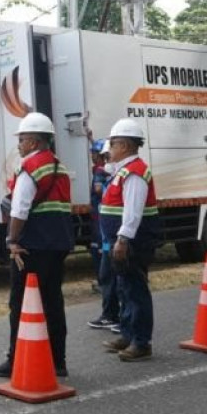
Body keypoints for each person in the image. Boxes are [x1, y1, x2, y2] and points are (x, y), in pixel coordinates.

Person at [0, 112, 74, 379]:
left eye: (22, 140)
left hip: (32, 246)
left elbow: (20, 209)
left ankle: (16, 359)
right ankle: (58, 361)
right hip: (58, 243)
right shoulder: (58, 166)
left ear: (34, 142)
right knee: (53, 302)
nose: (19, 145)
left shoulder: (30, 167)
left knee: (21, 303)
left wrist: (11, 240)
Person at [100, 118, 160, 362]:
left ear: (124, 146)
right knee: (124, 288)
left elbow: (133, 212)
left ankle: (141, 342)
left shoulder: (135, 173)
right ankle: (128, 334)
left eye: (113, 144)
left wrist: (123, 239)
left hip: (134, 241)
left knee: (135, 289)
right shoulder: (123, 170)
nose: (110, 149)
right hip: (123, 240)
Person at [87, 140, 121, 331]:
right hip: (106, 236)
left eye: (107, 157)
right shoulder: (111, 177)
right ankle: (110, 315)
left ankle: (121, 319)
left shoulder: (116, 177)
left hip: (114, 238)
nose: (106, 161)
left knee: (116, 278)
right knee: (106, 275)